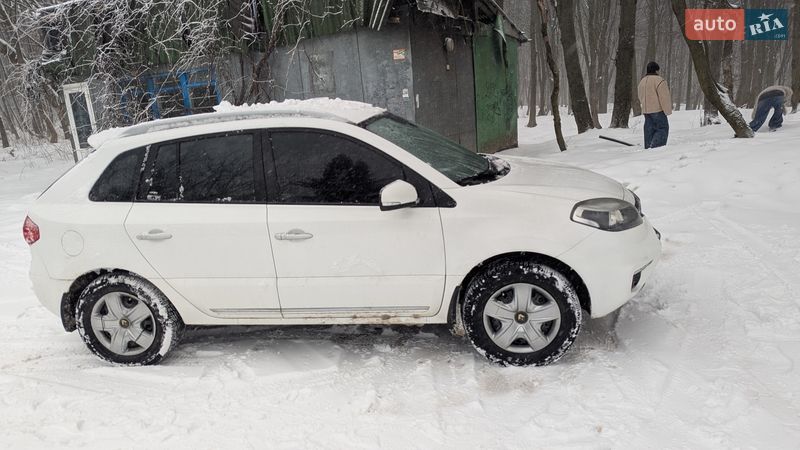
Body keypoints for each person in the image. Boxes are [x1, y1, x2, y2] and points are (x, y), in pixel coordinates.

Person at [638, 62, 672, 149]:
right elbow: (664, 97)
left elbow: (640, 95)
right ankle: (655, 149)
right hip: (657, 110)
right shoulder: (659, 81)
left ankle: (648, 148)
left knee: (649, 130)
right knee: (662, 128)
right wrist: (667, 110)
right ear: (656, 70)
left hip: (646, 111)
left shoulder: (642, 81)